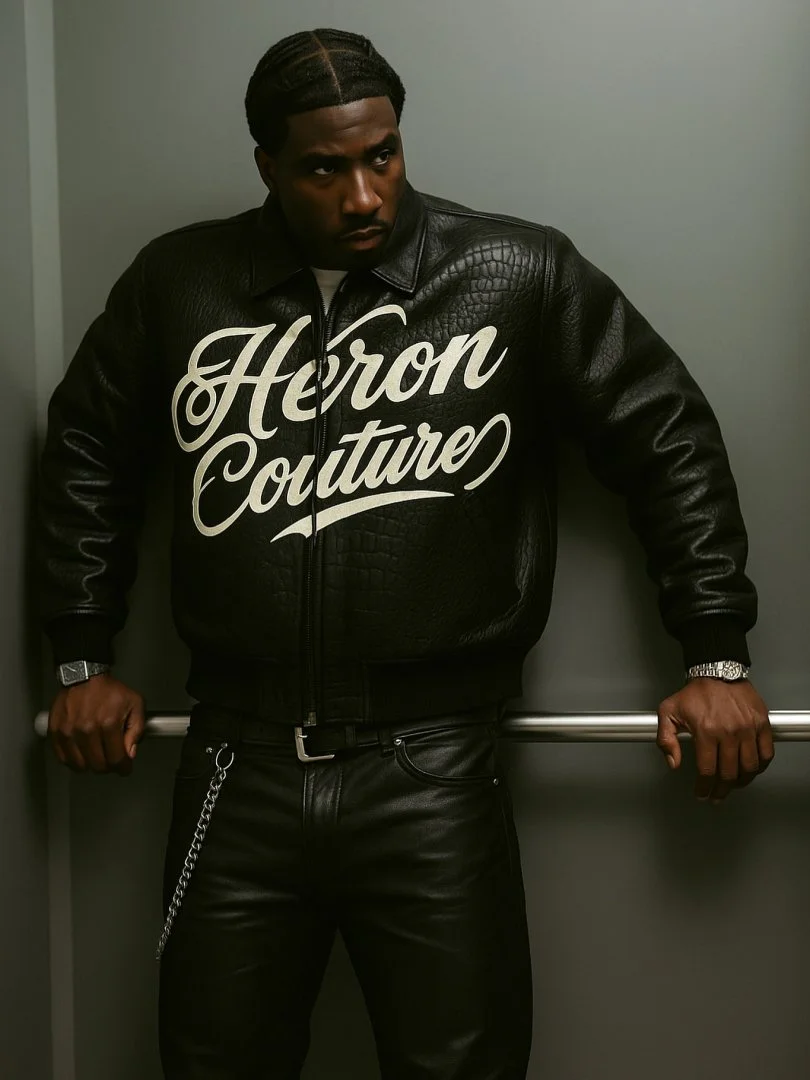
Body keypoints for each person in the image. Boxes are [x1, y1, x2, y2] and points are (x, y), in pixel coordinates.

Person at [38, 27, 773, 1080]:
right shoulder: (179, 283)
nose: (363, 195)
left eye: (381, 155)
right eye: (322, 169)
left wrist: (717, 656)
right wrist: (80, 656)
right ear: (267, 166)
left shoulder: (515, 272)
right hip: (235, 764)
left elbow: (670, 440)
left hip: (433, 767)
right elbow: (86, 455)